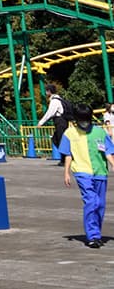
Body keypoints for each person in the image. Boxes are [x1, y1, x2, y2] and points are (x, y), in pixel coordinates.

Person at [60, 103, 114, 248]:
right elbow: (68, 155)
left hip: (100, 172)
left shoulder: (100, 132)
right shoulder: (70, 133)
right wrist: (66, 173)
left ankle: (97, 234)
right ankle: (93, 236)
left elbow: (108, 152)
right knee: (92, 201)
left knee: (100, 204)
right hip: (82, 171)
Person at [40, 86, 71, 161]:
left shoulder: (54, 101)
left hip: (59, 121)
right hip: (63, 121)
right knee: (58, 138)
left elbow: (50, 113)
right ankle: (65, 158)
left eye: (46, 91)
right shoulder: (59, 99)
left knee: (59, 140)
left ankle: (64, 159)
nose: (46, 93)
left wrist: (41, 122)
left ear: (49, 92)